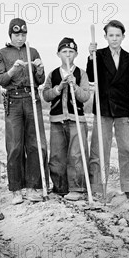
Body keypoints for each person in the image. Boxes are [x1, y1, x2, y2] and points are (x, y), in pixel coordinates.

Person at [87, 20, 129, 199]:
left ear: (123, 37)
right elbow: (90, 76)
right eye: (111, 35)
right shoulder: (98, 55)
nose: (114, 39)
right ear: (105, 37)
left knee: (128, 148)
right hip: (103, 108)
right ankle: (97, 189)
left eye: (117, 35)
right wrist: (91, 57)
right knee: (99, 149)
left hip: (124, 108)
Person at [0, 18, 48, 204]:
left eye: (23, 34)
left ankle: (34, 187)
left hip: (32, 98)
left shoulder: (32, 51)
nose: (20, 37)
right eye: (17, 34)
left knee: (36, 144)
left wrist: (40, 69)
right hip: (13, 100)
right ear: (10, 35)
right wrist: (13, 70)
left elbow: (40, 80)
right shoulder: (1, 53)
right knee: (15, 146)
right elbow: (1, 80)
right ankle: (16, 189)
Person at [42, 38, 90, 201]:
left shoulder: (81, 73)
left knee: (76, 154)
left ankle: (77, 188)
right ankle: (59, 187)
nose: (68, 55)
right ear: (58, 54)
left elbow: (85, 97)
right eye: (64, 52)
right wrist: (59, 88)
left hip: (76, 120)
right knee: (57, 155)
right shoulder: (53, 74)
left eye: (71, 52)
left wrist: (75, 86)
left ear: (76, 54)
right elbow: (46, 95)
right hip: (56, 121)